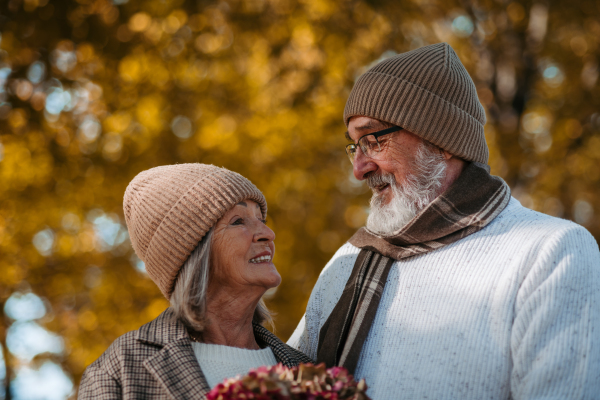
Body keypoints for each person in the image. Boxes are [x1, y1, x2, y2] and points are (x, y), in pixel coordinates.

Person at [288, 42, 600, 399]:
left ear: (442, 140)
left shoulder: (551, 252)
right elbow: (283, 379)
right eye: (354, 146)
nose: (359, 169)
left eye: (373, 140)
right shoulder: (349, 262)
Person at [79, 164, 312, 399]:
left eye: (262, 219)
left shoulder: (308, 372)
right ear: (194, 253)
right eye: (238, 221)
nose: (267, 233)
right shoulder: (119, 370)